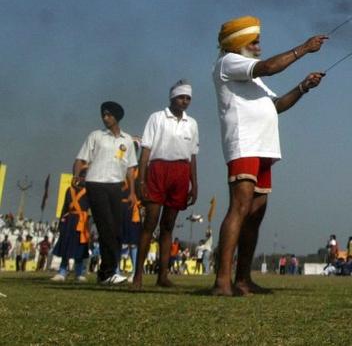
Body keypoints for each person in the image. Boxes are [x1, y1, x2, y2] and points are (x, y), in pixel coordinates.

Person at [210, 15, 327, 296]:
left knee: (256, 213)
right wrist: (303, 48)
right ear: (238, 43)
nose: (259, 43)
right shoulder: (229, 62)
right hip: (244, 145)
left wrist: (303, 87)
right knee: (240, 207)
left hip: (264, 148)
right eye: (254, 39)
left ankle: (242, 280)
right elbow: (270, 67)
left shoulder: (252, 78)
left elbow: (276, 106)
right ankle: (222, 281)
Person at [131, 79, 200, 290]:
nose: (185, 101)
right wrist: (141, 180)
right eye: (181, 97)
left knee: (168, 226)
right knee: (150, 223)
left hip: (181, 172)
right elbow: (146, 151)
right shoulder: (157, 118)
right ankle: (138, 277)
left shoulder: (192, 123)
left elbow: (193, 156)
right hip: (158, 169)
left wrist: (194, 184)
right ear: (173, 97)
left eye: (188, 98)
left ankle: (163, 275)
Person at [72, 101, 138, 285]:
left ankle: (107, 273)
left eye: (109, 114)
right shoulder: (96, 136)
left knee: (116, 230)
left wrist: (132, 192)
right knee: (106, 227)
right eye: (103, 114)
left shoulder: (127, 140)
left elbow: (131, 169)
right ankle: (108, 272)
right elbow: (80, 158)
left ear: (117, 117)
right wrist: (76, 175)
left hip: (116, 186)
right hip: (96, 184)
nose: (105, 118)